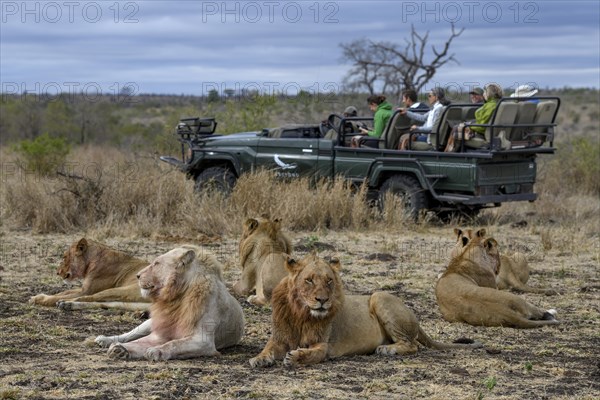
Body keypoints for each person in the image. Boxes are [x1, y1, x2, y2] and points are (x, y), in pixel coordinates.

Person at [445, 83, 503, 152]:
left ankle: (449, 153)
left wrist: (469, 126)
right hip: (487, 131)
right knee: (459, 127)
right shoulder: (497, 103)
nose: (484, 94)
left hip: (481, 132)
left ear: (489, 93)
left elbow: (481, 126)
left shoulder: (490, 106)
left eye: (485, 92)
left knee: (456, 128)